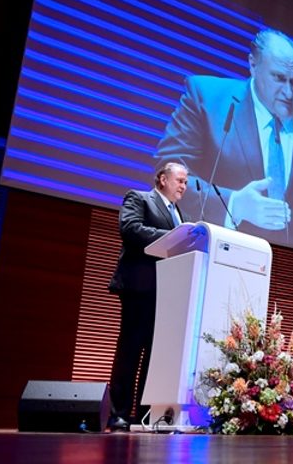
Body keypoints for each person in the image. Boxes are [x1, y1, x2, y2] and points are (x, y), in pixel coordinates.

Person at [155, 28, 293, 256]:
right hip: (214, 257)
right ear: (253, 65)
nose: (288, 92)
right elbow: (166, 175)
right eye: (279, 78)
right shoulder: (206, 99)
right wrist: (234, 204)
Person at [107, 162, 189, 430]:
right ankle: (118, 413)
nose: (183, 186)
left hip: (167, 294)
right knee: (130, 351)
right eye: (179, 180)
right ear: (162, 179)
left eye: (186, 183)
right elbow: (130, 229)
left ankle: (143, 414)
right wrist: (175, 237)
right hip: (139, 287)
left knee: (155, 357)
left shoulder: (180, 214)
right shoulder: (139, 198)